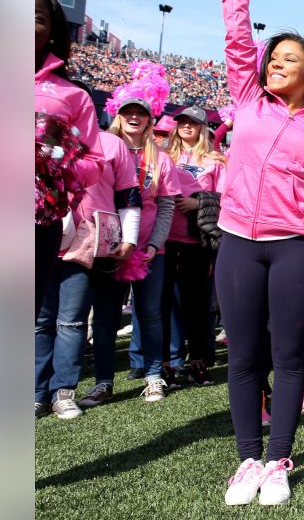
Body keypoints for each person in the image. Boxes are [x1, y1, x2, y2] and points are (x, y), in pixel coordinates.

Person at [214, 0, 304, 505]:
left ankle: (278, 460)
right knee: (243, 355)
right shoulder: (247, 100)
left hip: (295, 249)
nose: (276, 64)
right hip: (238, 243)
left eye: (289, 59)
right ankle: (247, 458)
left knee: (290, 357)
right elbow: (238, 38)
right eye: (274, 58)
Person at [38, 99, 141, 419]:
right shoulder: (33, 137)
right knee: (39, 321)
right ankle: (36, 393)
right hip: (37, 233)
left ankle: (63, 392)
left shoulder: (110, 144)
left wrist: (129, 239)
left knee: (70, 319)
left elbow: (129, 195)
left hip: (84, 239)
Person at [35, 0, 103, 318]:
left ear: (50, 33)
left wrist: (54, 159)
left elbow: (94, 163)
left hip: (35, 224)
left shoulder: (73, 96)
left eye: (36, 18)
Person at [108, 97, 179, 401]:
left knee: (149, 313)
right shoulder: (105, 148)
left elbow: (166, 207)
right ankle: (102, 380)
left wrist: (154, 243)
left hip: (150, 250)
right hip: (107, 247)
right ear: (118, 116)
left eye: (141, 113)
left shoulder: (160, 158)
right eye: (128, 112)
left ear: (150, 121)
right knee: (106, 316)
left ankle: (153, 375)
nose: (134, 117)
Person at [162, 106, 227, 387]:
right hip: (164, 240)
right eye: (183, 122)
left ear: (202, 127)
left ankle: (198, 361)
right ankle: (171, 362)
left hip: (200, 242)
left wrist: (198, 202)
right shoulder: (163, 155)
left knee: (199, 306)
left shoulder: (215, 160)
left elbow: (226, 197)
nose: (187, 126)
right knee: (167, 305)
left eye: (193, 122)